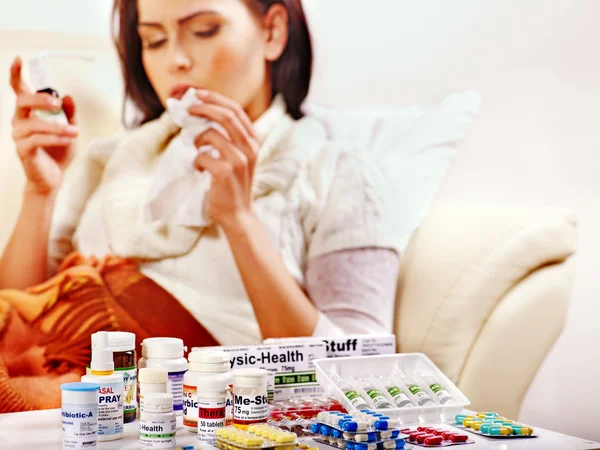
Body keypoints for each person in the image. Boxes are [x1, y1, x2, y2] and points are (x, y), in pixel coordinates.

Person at [0, 0, 400, 411]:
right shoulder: (111, 159)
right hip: (46, 386)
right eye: (154, 40)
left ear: (273, 31)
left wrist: (238, 219)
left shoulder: (336, 170)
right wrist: (40, 192)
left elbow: (364, 374)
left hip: (147, 406)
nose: (175, 60)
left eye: (204, 30)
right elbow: (22, 312)